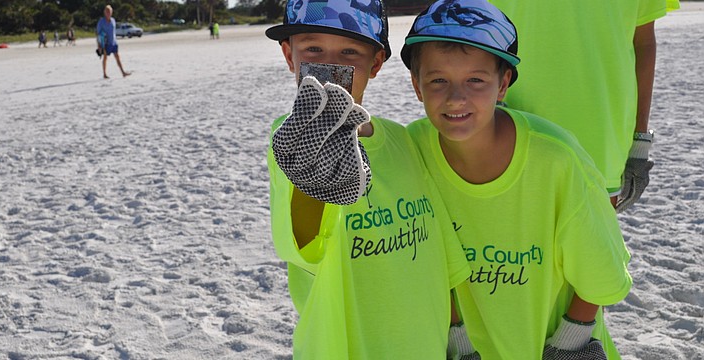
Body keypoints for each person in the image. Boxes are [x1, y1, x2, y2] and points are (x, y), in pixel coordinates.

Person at [400, 0, 633, 358]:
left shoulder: (557, 158)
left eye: (476, 80)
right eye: (438, 80)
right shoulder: (412, 152)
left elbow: (601, 270)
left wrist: (570, 341)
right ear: (417, 85)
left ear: (503, 82)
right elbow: (428, 258)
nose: (456, 97)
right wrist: (458, 341)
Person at [265, 0, 472, 357]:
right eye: (313, 48)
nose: (331, 64)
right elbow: (304, 245)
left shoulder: (403, 140)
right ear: (289, 56)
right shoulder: (288, 144)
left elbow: (439, 253)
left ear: (375, 63)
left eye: (349, 51)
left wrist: (458, 338)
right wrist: (313, 186)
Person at [487, 0, 679, 212]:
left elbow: (643, 42)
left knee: (589, 245)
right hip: (506, 128)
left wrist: (640, 141)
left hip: (600, 139)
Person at [96, 4, 131, 79]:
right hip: (105, 43)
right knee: (105, 58)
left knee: (117, 57)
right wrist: (99, 45)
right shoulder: (101, 22)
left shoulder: (113, 20)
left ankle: (123, 72)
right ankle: (104, 74)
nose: (108, 13)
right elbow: (98, 34)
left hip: (113, 42)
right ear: (104, 12)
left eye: (110, 11)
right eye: (107, 11)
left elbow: (113, 32)